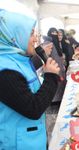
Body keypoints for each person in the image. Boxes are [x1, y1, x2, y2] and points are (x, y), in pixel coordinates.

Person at [0, 9, 60, 149]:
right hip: (17, 144)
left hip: (30, 139)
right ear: (14, 35)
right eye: (31, 34)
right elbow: (33, 108)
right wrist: (51, 77)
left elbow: (23, 75)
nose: (35, 39)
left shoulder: (16, 60)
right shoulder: (5, 71)